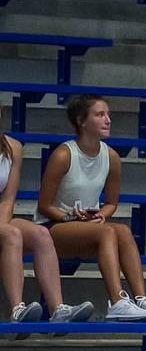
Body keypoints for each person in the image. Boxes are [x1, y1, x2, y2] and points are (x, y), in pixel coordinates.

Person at [35, 95, 146, 322]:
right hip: (54, 227)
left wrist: (99, 216)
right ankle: (117, 302)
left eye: (108, 114)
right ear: (81, 121)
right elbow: (44, 206)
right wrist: (69, 217)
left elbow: (111, 203)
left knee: (123, 231)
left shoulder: (112, 157)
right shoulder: (63, 154)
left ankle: (140, 298)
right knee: (108, 231)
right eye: (100, 115)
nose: (108, 120)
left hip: (88, 228)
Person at [1, 128, 93, 337]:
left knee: (41, 234)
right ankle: (17, 311)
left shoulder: (13, 147)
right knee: (12, 234)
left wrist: (2, 224)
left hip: (1, 216)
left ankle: (57, 310)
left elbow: (8, 199)